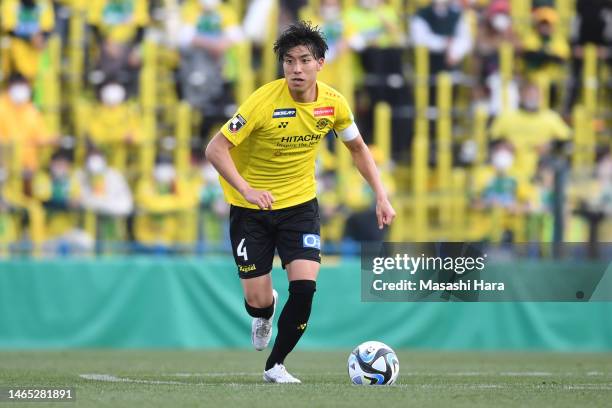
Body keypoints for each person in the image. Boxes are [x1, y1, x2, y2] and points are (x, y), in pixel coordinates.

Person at [205, 21, 395, 383]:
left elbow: (357, 148)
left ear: (320, 64)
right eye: (289, 61)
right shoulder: (262, 102)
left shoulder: (333, 104)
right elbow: (215, 149)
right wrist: (246, 189)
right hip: (251, 208)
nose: (296, 68)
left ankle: (276, 365)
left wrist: (381, 196)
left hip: (299, 206)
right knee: (258, 299)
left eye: (304, 60)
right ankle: (264, 312)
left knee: (305, 287)